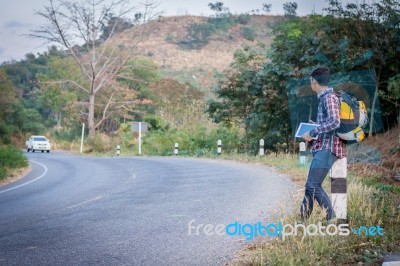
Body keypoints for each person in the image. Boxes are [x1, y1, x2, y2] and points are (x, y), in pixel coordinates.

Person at [300, 66, 345, 222]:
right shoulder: (325, 98)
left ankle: (331, 218)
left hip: (329, 147)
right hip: (324, 146)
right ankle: (302, 220)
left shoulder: (328, 97)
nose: (310, 84)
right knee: (311, 185)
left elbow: (335, 121)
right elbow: (328, 122)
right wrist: (315, 127)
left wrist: (313, 132)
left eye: (311, 81)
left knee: (313, 185)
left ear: (314, 82)